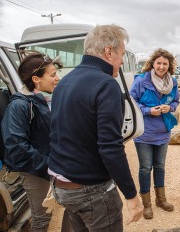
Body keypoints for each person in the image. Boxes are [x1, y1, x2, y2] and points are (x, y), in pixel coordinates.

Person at [48, 24, 143, 231]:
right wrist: (131, 195)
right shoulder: (106, 84)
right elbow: (110, 147)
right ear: (109, 51)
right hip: (90, 191)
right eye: (122, 54)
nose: (121, 61)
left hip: (61, 184)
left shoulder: (64, 82)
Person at [1, 52, 62, 231]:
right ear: (36, 79)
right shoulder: (20, 105)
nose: (57, 78)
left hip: (43, 167)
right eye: (52, 75)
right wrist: (48, 165)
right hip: (35, 171)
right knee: (41, 219)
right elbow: (16, 147)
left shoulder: (36, 99)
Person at [129, 48, 180, 220]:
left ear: (169, 65)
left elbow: (176, 101)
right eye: (158, 63)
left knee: (160, 166)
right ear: (152, 64)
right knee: (145, 168)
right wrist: (148, 110)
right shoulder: (141, 81)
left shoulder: (172, 82)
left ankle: (161, 199)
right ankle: (147, 204)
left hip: (163, 132)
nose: (161, 66)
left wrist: (170, 107)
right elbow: (131, 102)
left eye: (165, 63)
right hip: (144, 133)